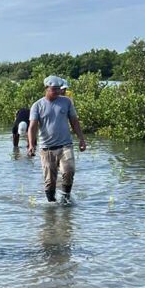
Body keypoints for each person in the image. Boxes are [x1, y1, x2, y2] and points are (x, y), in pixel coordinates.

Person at [27, 75, 87, 205]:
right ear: (46, 88)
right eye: (54, 89)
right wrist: (31, 145)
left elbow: (74, 121)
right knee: (50, 181)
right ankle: (52, 203)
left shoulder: (66, 102)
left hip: (65, 145)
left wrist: (81, 139)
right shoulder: (37, 105)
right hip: (46, 148)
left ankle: (65, 199)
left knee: (69, 171)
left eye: (59, 89)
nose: (57, 92)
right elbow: (32, 127)